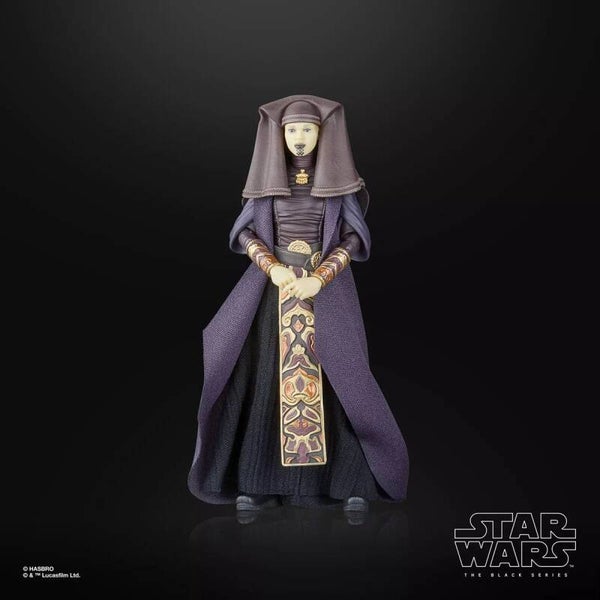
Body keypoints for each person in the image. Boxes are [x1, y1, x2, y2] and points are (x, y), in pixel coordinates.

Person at [187, 95, 409, 515]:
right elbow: (244, 234)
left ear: (322, 134)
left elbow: (354, 238)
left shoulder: (336, 185)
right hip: (275, 295)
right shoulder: (268, 185)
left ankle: (351, 482)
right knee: (266, 383)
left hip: (324, 293)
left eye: (308, 129)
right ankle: (258, 482)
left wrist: (320, 277)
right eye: (292, 130)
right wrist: (272, 267)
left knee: (340, 382)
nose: (300, 137)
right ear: (281, 135)